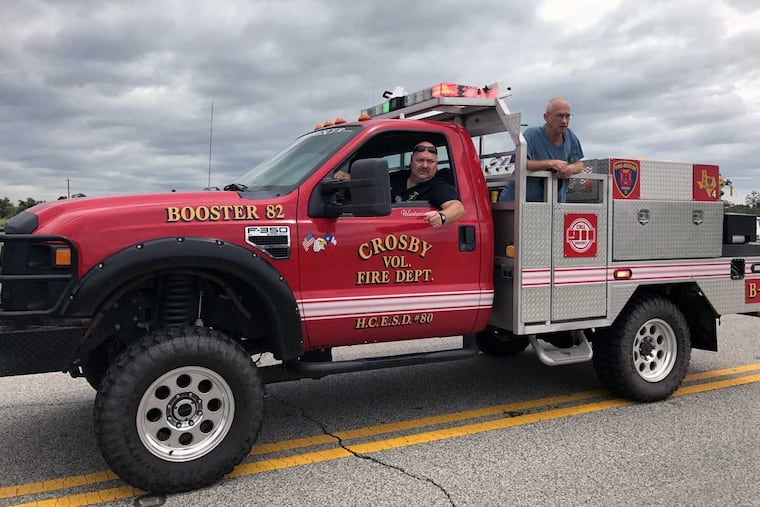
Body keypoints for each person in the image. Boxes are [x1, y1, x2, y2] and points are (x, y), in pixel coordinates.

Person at [335, 141, 465, 227]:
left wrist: (442, 217)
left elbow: (458, 208)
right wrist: (349, 178)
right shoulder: (398, 177)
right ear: (411, 161)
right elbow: (375, 185)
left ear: (436, 164)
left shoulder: (438, 186)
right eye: (420, 160)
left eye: (430, 161)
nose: (425, 165)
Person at [499, 97, 584, 203]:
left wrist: (570, 168)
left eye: (567, 116)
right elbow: (520, 163)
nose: (564, 121)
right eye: (560, 116)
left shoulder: (571, 137)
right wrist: (550, 163)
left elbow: (579, 164)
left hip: (553, 205)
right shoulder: (531, 135)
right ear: (546, 117)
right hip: (519, 202)